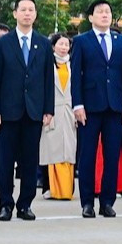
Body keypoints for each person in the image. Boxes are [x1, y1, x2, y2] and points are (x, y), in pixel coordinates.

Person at [0, 0, 54, 221]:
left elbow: (47, 79)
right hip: (8, 111)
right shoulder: (3, 43)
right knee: (5, 161)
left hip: (34, 111)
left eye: (31, 10)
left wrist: (49, 109)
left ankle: (25, 204)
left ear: (35, 14)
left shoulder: (44, 43)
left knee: (29, 161)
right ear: (15, 13)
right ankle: (5, 204)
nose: (27, 13)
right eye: (23, 10)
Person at [70, 0, 122, 217]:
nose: (105, 15)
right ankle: (87, 202)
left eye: (108, 11)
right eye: (100, 12)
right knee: (87, 156)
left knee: (112, 155)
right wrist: (77, 104)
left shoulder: (121, 41)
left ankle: (107, 202)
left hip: (115, 106)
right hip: (89, 107)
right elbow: (76, 75)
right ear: (91, 17)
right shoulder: (82, 41)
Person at [43, 33, 78, 200]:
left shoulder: (73, 64)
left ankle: (66, 190)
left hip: (70, 111)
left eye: (67, 44)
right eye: (61, 44)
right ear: (53, 46)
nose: (64, 47)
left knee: (69, 151)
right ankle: (52, 188)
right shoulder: (47, 64)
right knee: (52, 151)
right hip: (53, 110)